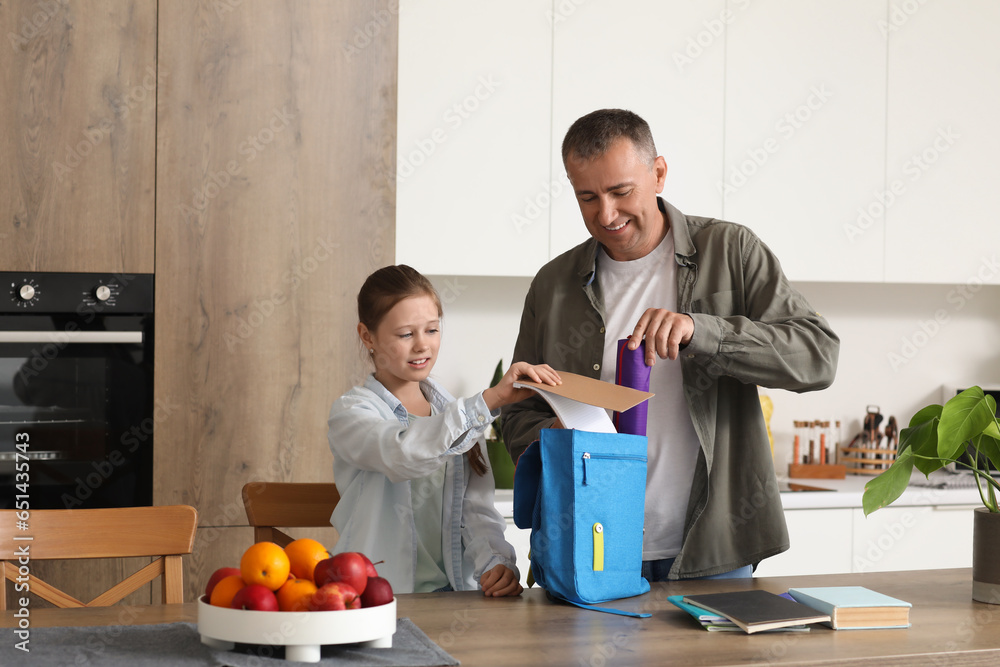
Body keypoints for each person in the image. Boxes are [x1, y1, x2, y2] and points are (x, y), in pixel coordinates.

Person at [502, 109, 839, 581]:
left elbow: (818, 355)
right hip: (590, 547)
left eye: (621, 192)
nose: (606, 214)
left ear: (658, 173)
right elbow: (517, 414)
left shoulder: (731, 251)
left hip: (711, 548)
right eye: (587, 197)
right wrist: (553, 436)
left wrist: (705, 333)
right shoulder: (552, 285)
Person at [328, 264, 561, 595]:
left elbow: (476, 511)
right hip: (376, 599)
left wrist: (496, 563)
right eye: (406, 334)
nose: (422, 346)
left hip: (452, 601)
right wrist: (488, 401)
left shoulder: (459, 418)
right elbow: (402, 454)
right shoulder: (352, 414)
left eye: (432, 330)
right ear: (368, 336)